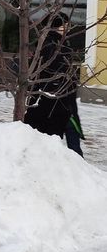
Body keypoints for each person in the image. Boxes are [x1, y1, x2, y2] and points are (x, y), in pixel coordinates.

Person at [23, 12, 83, 156]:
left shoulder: (53, 42)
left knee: (67, 131)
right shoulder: (53, 45)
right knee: (62, 132)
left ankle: (76, 163)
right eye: (65, 25)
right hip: (56, 100)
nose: (67, 28)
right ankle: (76, 163)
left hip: (56, 98)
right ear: (57, 26)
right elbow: (51, 71)